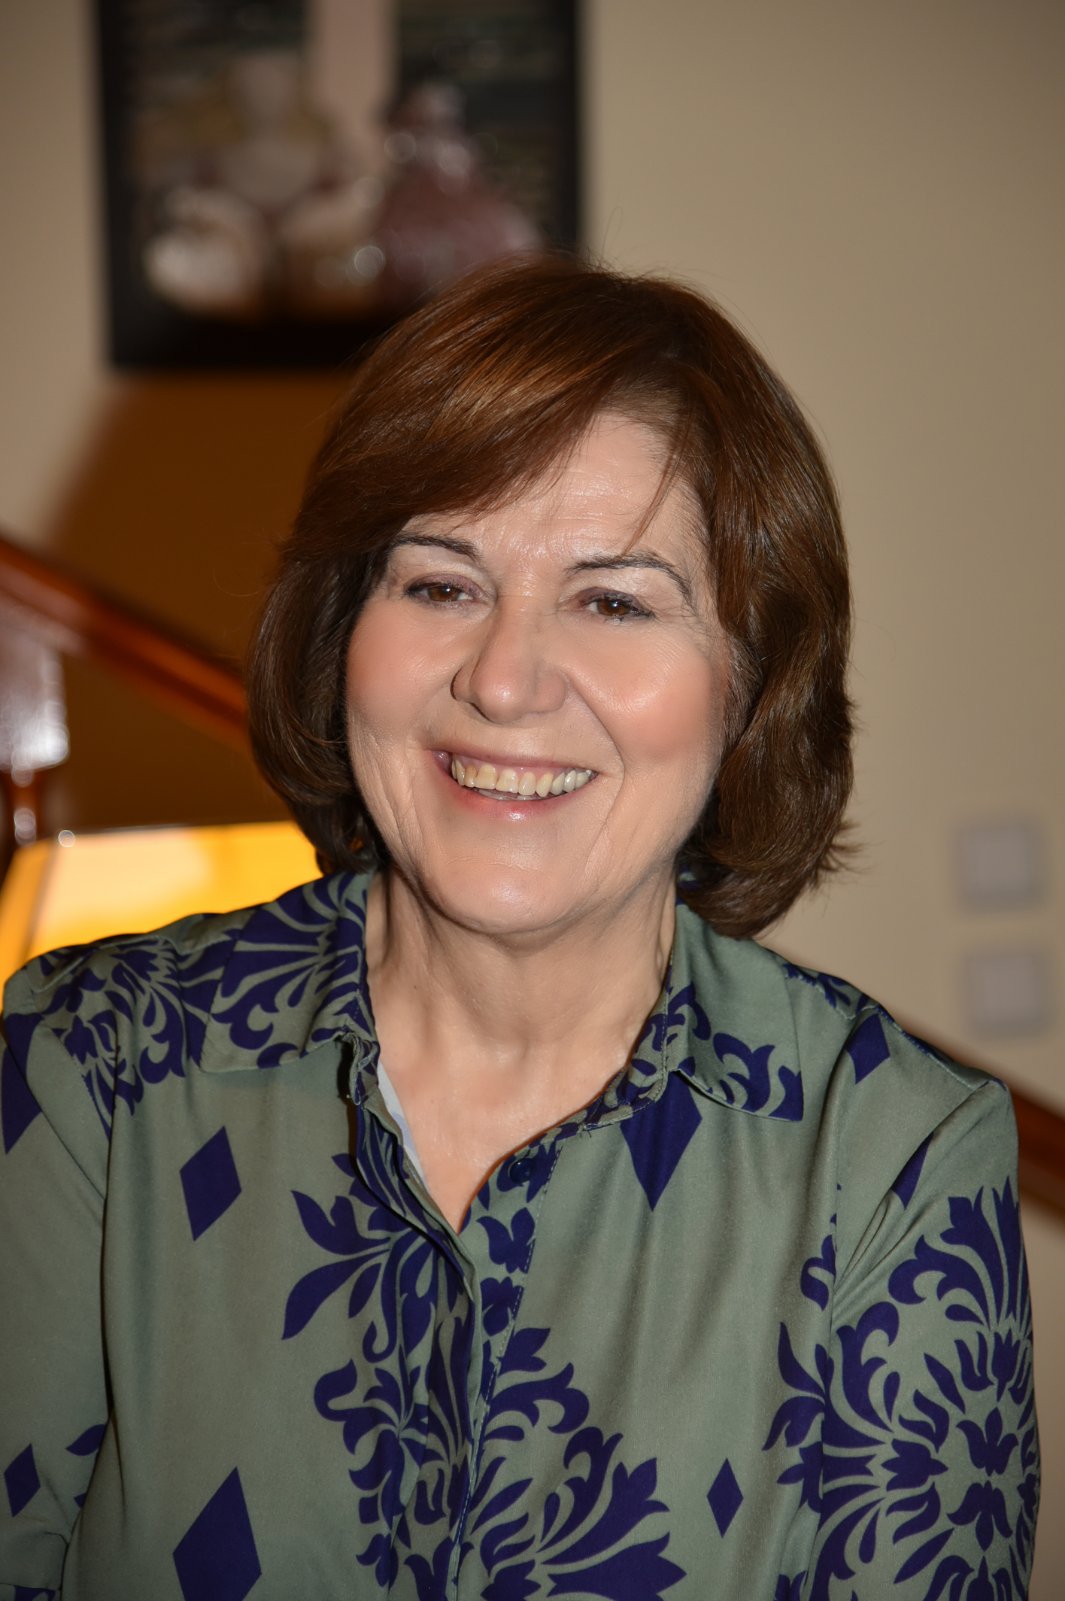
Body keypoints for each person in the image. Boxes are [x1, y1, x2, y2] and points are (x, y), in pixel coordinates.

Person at [0, 258, 1037, 1600]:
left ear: (749, 684)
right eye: (441, 583)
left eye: (613, 600)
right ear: (344, 628)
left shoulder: (891, 1155)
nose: (501, 679)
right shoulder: (87, 1066)